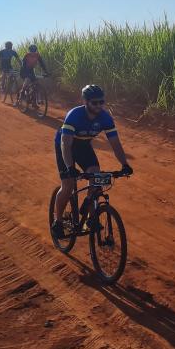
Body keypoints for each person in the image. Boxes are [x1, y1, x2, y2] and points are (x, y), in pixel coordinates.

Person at [51, 85, 133, 239]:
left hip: (83, 146)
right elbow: (65, 144)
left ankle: (90, 218)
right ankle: (58, 221)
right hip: (65, 146)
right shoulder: (74, 115)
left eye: (101, 102)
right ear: (85, 102)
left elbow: (115, 143)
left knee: (95, 177)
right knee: (68, 185)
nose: (99, 106)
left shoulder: (105, 117)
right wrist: (70, 167)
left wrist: (125, 164)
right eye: (94, 103)